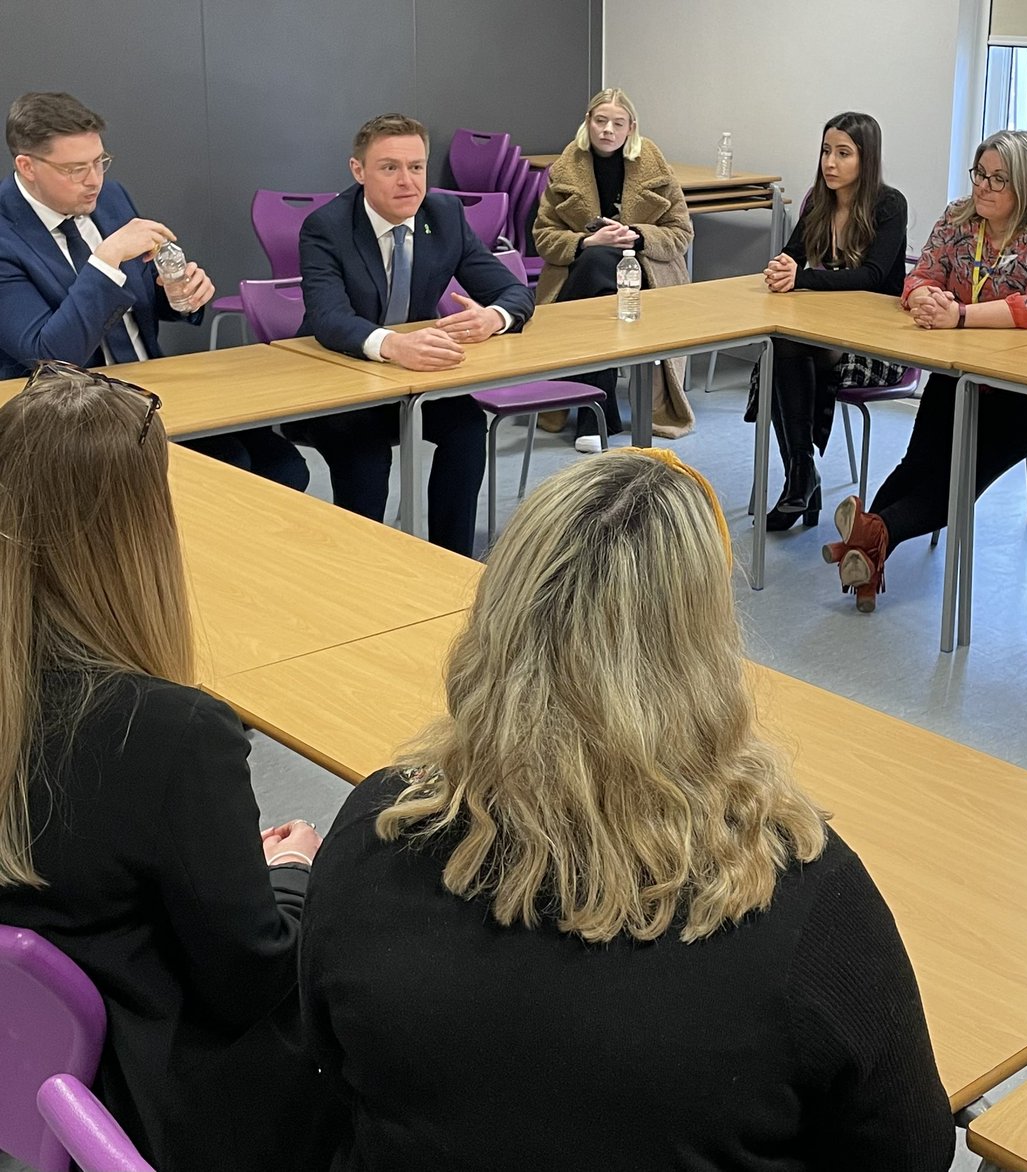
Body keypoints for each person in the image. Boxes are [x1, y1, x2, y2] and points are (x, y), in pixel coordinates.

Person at [299, 450, 956, 1171]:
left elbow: (327, 1076)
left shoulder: (376, 832)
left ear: (497, 612)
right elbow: (912, 1153)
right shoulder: (806, 899)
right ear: (705, 647)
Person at [0, 362, 343, 1172]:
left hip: (31, 1052)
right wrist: (289, 873)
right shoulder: (171, 734)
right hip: (143, 1090)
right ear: (142, 527)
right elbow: (248, 980)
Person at [822, 129, 1027, 611]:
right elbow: (921, 276)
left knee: (961, 474)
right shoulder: (959, 218)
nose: (984, 188)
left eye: (998, 179)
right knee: (921, 461)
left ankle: (870, 538)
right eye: (980, 174)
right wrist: (926, 297)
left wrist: (961, 315)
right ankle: (869, 545)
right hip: (969, 363)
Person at [0, 91, 308, 491]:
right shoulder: (7, 236)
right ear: (27, 166)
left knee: (283, 467)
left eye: (99, 162)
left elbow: (140, 296)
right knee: (231, 469)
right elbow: (50, 357)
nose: (94, 180)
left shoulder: (111, 197)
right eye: (75, 169)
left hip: (152, 388)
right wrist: (106, 258)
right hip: (70, 416)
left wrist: (179, 294)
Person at [298, 113, 535, 557]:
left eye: (417, 167)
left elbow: (512, 290)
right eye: (389, 168)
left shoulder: (444, 215)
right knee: (366, 454)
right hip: (340, 379)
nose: (407, 181)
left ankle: (450, 561)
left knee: (466, 430)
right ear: (358, 171)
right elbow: (328, 318)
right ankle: (363, 570)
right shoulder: (326, 226)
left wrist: (494, 318)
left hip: (414, 378)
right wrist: (392, 344)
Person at [758, 111, 908, 529]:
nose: (830, 163)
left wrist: (802, 278)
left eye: (844, 153)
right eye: (826, 151)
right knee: (778, 347)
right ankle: (802, 474)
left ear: (867, 159)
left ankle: (801, 479)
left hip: (875, 337)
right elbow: (791, 254)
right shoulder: (818, 201)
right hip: (820, 331)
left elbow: (875, 276)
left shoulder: (888, 204)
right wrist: (780, 269)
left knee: (784, 352)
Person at [533, 87, 694, 451]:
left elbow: (681, 233)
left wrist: (636, 237)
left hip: (647, 273)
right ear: (588, 123)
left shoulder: (656, 168)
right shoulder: (565, 169)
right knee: (599, 267)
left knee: (600, 271)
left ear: (631, 127)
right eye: (600, 121)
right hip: (585, 269)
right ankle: (598, 414)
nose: (607, 130)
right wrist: (588, 242)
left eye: (617, 123)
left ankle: (594, 416)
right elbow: (543, 237)